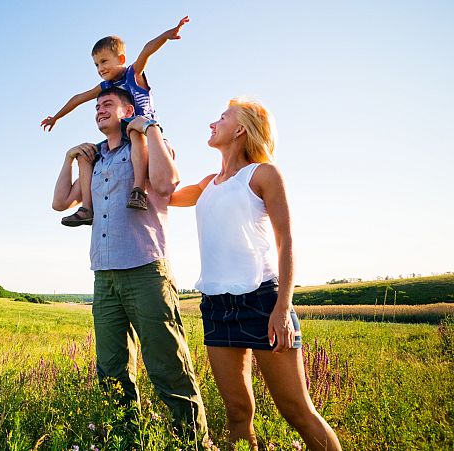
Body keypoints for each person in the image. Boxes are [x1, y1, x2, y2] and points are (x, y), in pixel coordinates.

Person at [169, 98, 342, 450]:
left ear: (240, 129)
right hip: (216, 306)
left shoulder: (263, 174)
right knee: (236, 412)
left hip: (263, 300)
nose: (211, 124)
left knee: (296, 410)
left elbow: (286, 241)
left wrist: (282, 308)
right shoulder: (207, 184)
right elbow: (163, 196)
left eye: (221, 117)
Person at [52, 86, 208, 443]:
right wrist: (68, 158)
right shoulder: (97, 161)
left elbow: (168, 184)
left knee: (168, 366)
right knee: (111, 371)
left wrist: (150, 128)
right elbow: (60, 202)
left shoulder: (146, 147)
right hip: (104, 276)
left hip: (145, 270)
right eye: (96, 107)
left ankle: (193, 443)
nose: (98, 110)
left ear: (127, 110)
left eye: (107, 104)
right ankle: (127, 441)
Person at [43, 16, 190, 226]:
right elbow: (78, 98)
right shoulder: (105, 87)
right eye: (96, 65)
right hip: (121, 135)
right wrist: (56, 117)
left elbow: (146, 50)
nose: (100, 68)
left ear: (120, 59)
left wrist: (167, 35)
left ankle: (138, 189)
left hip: (143, 129)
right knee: (86, 155)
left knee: (134, 131)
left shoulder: (132, 74)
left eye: (104, 61)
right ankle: (87, 208)